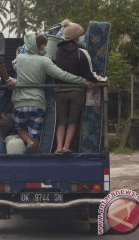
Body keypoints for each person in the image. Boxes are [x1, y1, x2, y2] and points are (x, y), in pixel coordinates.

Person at [12, 33, 94, 154]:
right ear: (39, 46)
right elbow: (62, 74)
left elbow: (14, 66)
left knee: (19, 128)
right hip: (37, 103)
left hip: (19, 102)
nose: (44, 48)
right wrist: (82, 81)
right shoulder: (44, 61)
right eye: (43, 46)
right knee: (36, 136)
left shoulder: (19, 59)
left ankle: (28, 142)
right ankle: (36, 153)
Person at [53, 23, 107, 154]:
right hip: (77, 91)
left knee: (61, 121)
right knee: (73, 121)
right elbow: (89, 74)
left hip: (59, 91)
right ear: (77, 38)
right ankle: (66, 147)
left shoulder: (57, 52)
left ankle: (58, 147)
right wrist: (104, 80)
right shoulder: (81, 53)